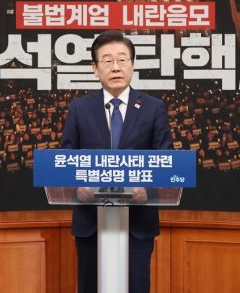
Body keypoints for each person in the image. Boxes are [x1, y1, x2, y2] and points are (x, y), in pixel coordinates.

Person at [61, 30, 173, 293]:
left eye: (122, 60)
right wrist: (78, 189)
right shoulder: (79, 108)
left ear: (132, 65)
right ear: (95, 68)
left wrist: (148, 191)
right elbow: (65, 159)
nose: (116, 67)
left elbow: (166, 161)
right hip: (91, 223)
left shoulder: (153, 107)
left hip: (137, 224)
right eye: (107, 60)